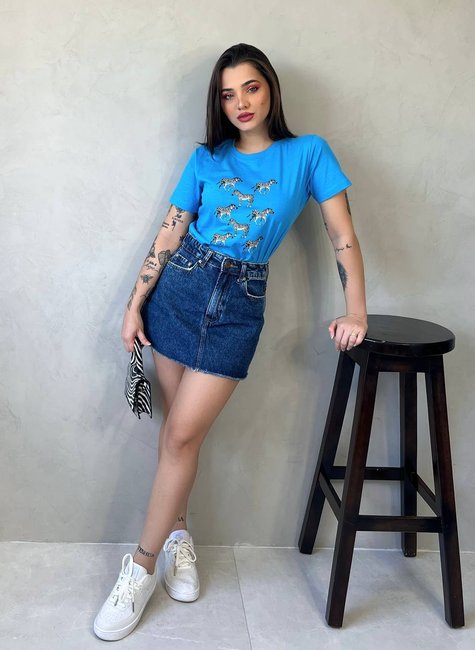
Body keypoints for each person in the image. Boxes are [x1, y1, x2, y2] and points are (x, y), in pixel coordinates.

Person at [93, 42, 368, 641]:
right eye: (227, 94)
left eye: (251, 87)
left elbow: (342, 236)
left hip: (240, 306)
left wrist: (356, 311)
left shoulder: (308, 153)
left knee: (183, 434)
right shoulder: (205, 159)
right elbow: (169, 235)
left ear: (270, 89)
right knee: (175, 434)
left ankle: (139, 567)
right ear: (218, 103)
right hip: (180, 290)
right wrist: (134, 305)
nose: (240, 102)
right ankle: (175, 538)